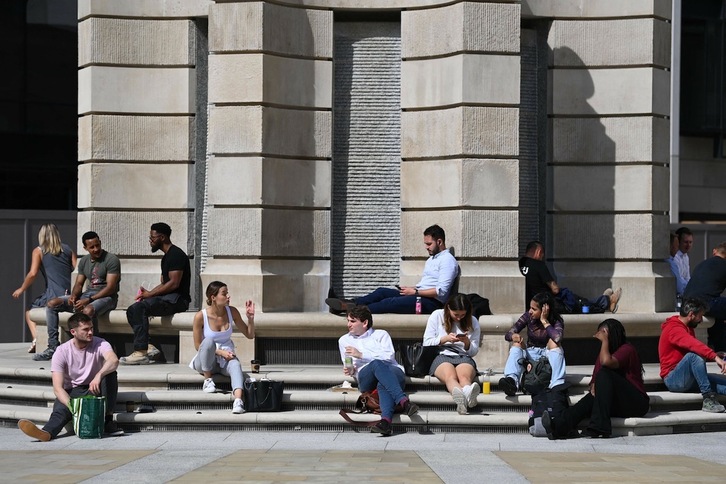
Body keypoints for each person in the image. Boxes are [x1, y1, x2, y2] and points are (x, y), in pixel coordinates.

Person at [17, 312, 123, 441]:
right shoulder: (61, 352)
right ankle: (46, 433)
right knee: (60, 412)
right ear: (73, 332)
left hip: (94, 388)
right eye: (85, 329)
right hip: (72, 391)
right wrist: (73, 406)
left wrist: (99, 375)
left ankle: (108, 421)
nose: (90, 332)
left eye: (91, 328)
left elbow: (113, 360)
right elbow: (58, 388)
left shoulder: (100, 343)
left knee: (110, 373)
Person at [541, 318, 650, 439]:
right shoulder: (605, 352)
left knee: (604, 374)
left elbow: (606, 362)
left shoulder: (627, 349)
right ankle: (559, 426)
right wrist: (595, 385)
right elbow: (595, 381)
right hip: (617, 402)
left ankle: (599, 427)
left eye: (603, 334)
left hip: (636, 402)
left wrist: (605, 342)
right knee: (590, 400)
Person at [326, 224, 459, 314]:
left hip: (431, 303)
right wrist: (411, 288)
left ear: (440, 242)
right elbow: (428, 284)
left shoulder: (447, 261)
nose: (426, 247)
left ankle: (353, 311)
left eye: (429, 244)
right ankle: (346, 303)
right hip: (419, 295)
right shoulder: (432, 259)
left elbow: (441, 291)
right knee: (382, 292)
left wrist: (415, 291)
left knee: (390, 302)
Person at [36, 231, 121, 361]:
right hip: (87, 295)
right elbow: (79, 283)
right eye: (92, 247)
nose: (96, 249)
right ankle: (53, 347)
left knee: (88, 310)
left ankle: (92, 347)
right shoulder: (84, 261)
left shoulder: (111, 259)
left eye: (97, 245)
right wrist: (74, 296)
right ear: (85, 248)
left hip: (106, 297)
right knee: (52, 304)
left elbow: (111, 287)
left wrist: (89, 300)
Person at [338, 305, 418, 436]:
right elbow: (348, 363)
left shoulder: (381, 335)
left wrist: (362, 354)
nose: (349, 324)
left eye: (353, 321)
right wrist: (349, 369)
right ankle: (404, 402)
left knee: (383, 382)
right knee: (376, 364)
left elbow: (388, 356)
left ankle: (385, 422)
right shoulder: (344, 340)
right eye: (348, 321)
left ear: (365, 323)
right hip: (366, 376)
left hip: (392, 371)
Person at [121, 222, 191, 365]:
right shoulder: (166, 257)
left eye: (153, 237)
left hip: (177, 300)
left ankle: (140, 352)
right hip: (167, 299)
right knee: (132, 310)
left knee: (139, 308)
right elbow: (165, 283)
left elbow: (174, 283)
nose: (150, 240)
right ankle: (148, 346)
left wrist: (150, 295)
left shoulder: (176, 255)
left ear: (163, 237)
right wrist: (149, 294)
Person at [189, 281, 255, 414]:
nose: (228, 297)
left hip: (226, 360)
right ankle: (208, 380)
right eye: (224, 294)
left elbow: (249, 335)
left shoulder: (232, 312)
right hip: (205, 361)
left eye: (227, 293)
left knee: (236, 364)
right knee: (208, 342)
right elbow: (198, 346)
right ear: (213, 297)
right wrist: (220, 353)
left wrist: (250, 319)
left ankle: (238, 401)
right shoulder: (200, 316)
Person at [12, 223, 76, 356]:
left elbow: (33, 273)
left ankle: (37, 339)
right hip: (70, 294)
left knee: (30, 311)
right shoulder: (67, 249)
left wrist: (21, 288)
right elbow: (77, 271)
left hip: (53, 294)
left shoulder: (39, 251)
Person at [658, 297, 726, 413]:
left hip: (688, 378)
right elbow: (693, 345)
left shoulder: (687, 327)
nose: (700, 320)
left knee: (722, 383)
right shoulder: (673, 329)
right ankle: (708, 399)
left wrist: (715, 354)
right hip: (673, 379)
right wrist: (714, 357)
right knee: (693, 356)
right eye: (700, 316)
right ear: (691, 314)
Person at [518, 240, 621, 314]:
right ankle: (607, 301)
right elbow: (555, 289)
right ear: (538, 252)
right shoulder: (538, 265)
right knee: (579, 302)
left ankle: (605, 300)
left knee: (578, 300)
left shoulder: (519, 264)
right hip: (550, 304)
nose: (542, 258)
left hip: (531, 305)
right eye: (542, 255)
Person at [499, 292, 566, 397]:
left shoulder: (556, 320)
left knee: (554, 343)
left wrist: (544, 321)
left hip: (547, 355)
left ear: (545, 309)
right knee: (516, 344)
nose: (530, 311)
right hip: (531, 353)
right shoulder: (528, 316)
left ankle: (557, 384)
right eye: (530, 308)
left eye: (534, 309)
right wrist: (513, 336)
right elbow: (508, 334)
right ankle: (511, 381)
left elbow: (557, 337)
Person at [423, 294, 481, 414]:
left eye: (463, 315)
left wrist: (467, 343)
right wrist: (445, 339)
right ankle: (465, 397)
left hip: (463, 356)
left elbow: (474, 351)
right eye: (456, 314)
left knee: (464, 377)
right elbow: (427, 342)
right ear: (448, 308)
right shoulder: (437, 315)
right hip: (442, 355)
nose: (459, 318)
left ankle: (465, 397)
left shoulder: (473, 321)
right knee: (450, 376)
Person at [683, 242, 726, 351]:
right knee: (718, 306)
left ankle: (717, 347)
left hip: (687, 302)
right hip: (705, 302)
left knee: (719, 314)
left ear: (715, 252)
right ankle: (719, 347)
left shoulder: (702, 264)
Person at [673, 226, 694, 295]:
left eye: (690, 242)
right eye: (686, 242)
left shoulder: (685, 256)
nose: (688, 245)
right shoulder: (674, 257)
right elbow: (679, 280)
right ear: (678, 242)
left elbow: (687, 277)